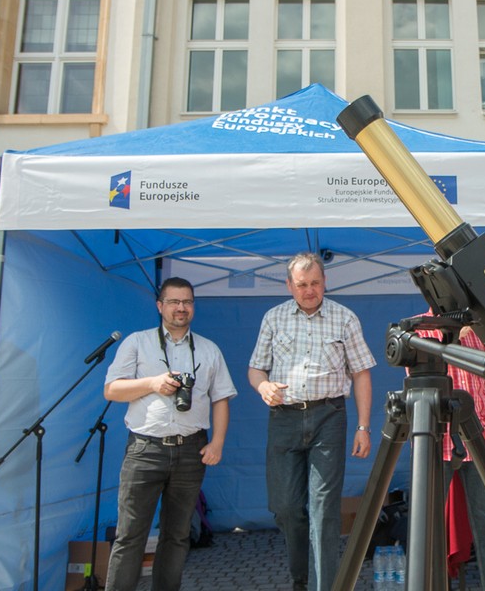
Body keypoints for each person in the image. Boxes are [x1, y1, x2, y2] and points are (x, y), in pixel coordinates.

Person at [248, 251, 376, 591]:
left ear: (325, 282)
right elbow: (255, 368)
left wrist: (364, 427)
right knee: (286, 508)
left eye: (315, 283)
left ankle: (324, 586)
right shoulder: (273, 318)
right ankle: (301, 576)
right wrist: (263, 386)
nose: (309, 290)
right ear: (289, 286)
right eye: (302, 284)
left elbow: (362, 374)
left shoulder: (345, 318)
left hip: (329, 417)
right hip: (284, 418)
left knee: (324, 508)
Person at [104, 277, 237, 591]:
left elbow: (221, 399)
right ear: (160, 305)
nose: (181, 308)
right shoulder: (137, 342)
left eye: (187, 302)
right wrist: (152, 383)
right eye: (175, 302)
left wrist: (217, 442)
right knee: (130, 536)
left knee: (177, 536)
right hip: (145, 451)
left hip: (192, 450)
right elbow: (111, 389)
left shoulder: (208, 348)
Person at [410, 310, 485, 590]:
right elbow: (417, 381)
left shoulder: (480, 329)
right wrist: (452, 337)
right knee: (425, 529)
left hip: (478, 438)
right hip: (435, 440)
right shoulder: (420, 328)